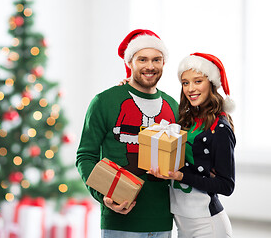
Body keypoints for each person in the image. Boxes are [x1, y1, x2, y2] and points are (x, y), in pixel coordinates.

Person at [76, 29, 179, 238]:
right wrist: (103, 193)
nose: (150, 66)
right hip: (119, 223)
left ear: (163, 63)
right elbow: (85, 156)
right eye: (142, 59)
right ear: (130, 62)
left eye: (156, 60)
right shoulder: (104, 102)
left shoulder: (173, 106)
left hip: (163, 221)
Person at [148, 52, 236, 238]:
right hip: (182, 222)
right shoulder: (186, 120)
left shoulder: (220, 128)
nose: (190, 89)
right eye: (185, 83)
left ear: (211, 84)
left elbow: (227, 185)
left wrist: (181, 176)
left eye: (197, 81)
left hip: (207, 224)